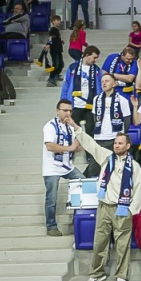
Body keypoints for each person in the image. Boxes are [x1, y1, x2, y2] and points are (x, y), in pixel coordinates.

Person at [67, 117, 141, 281]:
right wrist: (75, 127)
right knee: (99, 243)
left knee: (122, 245)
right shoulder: (106, 157)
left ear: (127, 146)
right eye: (115, 143)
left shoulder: (135, 166)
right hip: (104, 207)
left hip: (122, 209)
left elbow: (139, 190)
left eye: (120, 143)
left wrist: (131, 210)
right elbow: (91, 144)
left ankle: (121, 276)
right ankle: (97, 274)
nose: (116, 145)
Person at [42, 99, 85, 237]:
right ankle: (51, 226)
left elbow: (78, 145)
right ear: (57, 111)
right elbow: (50, 146)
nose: (68, 113)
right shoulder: (50, 126)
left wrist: (78, 145)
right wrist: (70, 148)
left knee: (84, 184)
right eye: (65, 110)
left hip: (67, 165)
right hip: (52, 167)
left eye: (70, 111)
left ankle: (79, 219)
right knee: (52, 198)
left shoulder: (70, 126)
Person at [84, 74, 132, 178]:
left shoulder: (122, 100)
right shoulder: (96, 99)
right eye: (102, 81)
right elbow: (93, 118)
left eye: (107, 81)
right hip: (98, 138)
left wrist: (120, 136)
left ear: (114, 83)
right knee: (94, 169)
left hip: (114, 139)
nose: (104, 83)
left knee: (113, 169)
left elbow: (127, 121)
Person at [60, 45, 102, 137]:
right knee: (74, 132)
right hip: (75, 105)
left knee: (90, 132)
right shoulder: (72, 67)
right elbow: (66, 85)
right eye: (94, 57)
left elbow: (100, 87)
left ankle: (89, 151)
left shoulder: (97, 70)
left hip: (91, 106)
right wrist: (63, 103)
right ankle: (73, 151)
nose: (96, 60)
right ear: (87, 55)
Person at [45, 15, 65, 87]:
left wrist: (60, 41)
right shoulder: (53, 30)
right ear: (53, 22)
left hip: (58, 49)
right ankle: (51, 78)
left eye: (59, 20)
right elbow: (51, 38)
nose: (59, 22)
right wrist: (48, 44)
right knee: (55, 64)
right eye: (57, 20)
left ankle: (56, 75)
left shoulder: (57, 30)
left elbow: (55, 39)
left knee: (61, 64)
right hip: (54, 50)